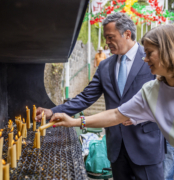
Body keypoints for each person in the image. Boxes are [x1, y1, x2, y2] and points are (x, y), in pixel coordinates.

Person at [35, 13, 164, 180]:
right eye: (105, 38)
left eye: (110, 37)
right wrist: (52, 112)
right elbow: (85, 97)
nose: (106, 42)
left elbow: (163, 100)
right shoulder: (104, 66)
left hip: (146, 146)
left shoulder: (150, 59)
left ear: (127, 34)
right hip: (116, 147)